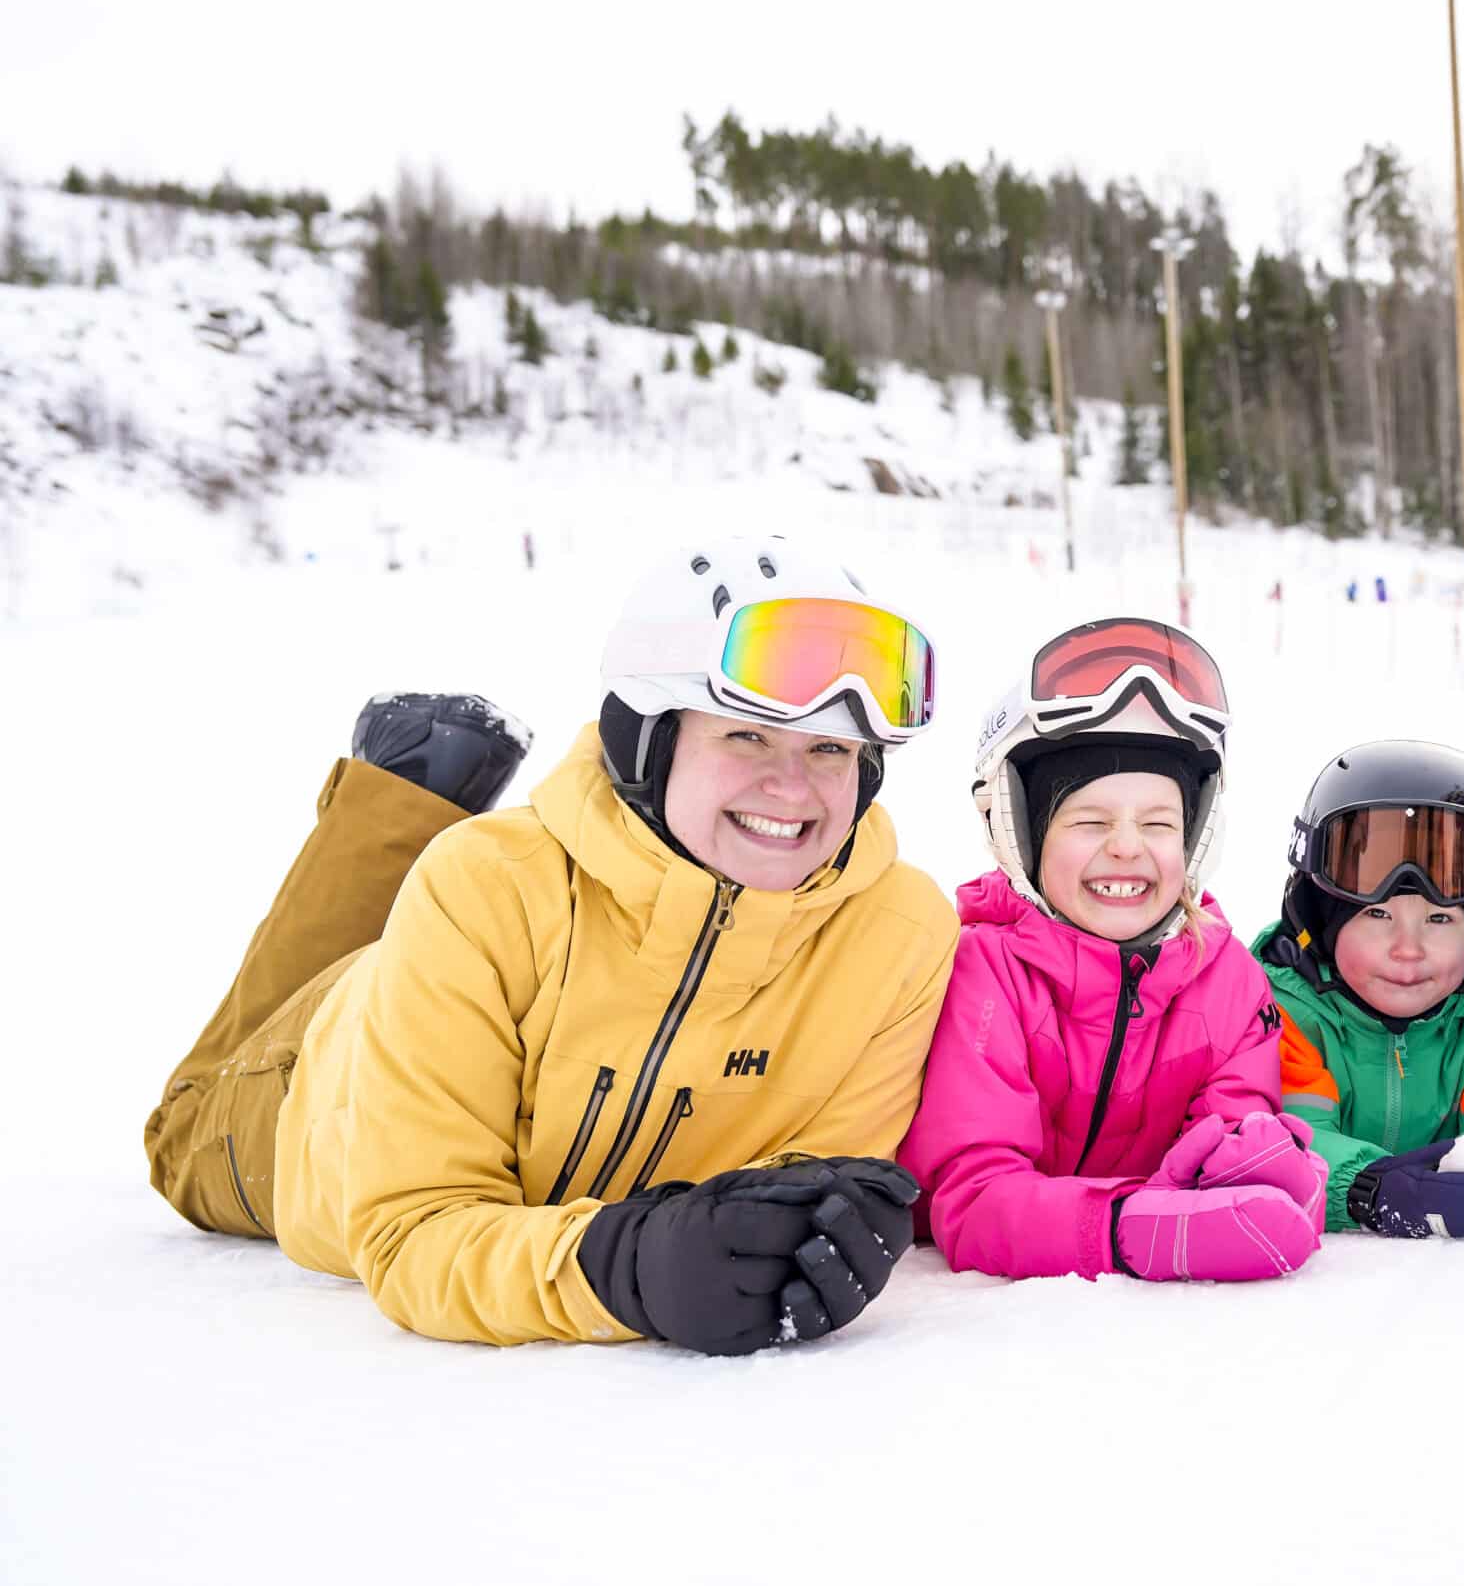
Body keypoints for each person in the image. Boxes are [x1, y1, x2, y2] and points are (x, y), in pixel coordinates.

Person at [142, 538, 960, 1353]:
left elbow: (815, 1187)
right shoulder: (485, 884)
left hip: (456, 967)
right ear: (651, 738)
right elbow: (412, 1231)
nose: (795, 788)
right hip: (318, 1083)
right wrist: (621, 1268)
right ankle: (400, 798)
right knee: (180, 1136)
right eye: (746, 736)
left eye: (830, 749)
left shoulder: (901, 932)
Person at [898, 616, 1326, 1282]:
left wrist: (1251, 1161)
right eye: (1090, 820)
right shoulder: (981, 974)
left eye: (1158, 823)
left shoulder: (1231, 984)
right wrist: (1126, 1227)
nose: (1127, 846)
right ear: (1023, 838)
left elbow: (1232, 1129)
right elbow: (975, 1197)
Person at [1254, 740, 1464, 1237]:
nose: (1408, 949)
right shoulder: (1278, 1014)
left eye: (1440, 918)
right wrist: (1371, 1190)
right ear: (1321, 922)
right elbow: (1290, 1142)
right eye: (1377, 915)